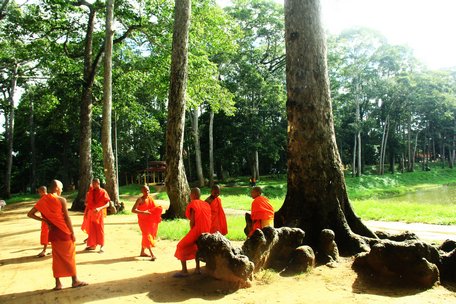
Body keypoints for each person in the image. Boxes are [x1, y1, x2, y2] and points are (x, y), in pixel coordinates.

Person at [27, 180, 88, 290]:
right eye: (61, 188)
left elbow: (30, 214)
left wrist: (45, 221)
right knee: (69, 256)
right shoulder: (61, 200)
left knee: (57, 258)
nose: (62, 190)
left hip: (53, 233)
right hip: (64, 232)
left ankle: (58, 283)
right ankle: (75, 280)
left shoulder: (43, 200)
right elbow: (66, 218)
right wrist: (72, 232)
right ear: (56, 188)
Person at [174, 187, 211, 277]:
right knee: (196, 247)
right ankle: (197, 268)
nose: (190, 196)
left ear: (193, 195)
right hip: (207, 231)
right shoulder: (206, 204)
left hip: (197, 230)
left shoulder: (193, 204)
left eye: (190, 194)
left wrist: (192, 232)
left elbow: (192, 221)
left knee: (181, 245)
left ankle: (184, 271)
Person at [131, 185, 163, 261]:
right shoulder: (140, 200)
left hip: (150, 221)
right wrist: (143, 212)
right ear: (142, 191)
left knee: (146, 235)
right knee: (147, 235)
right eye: (145, 191)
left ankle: (142, 252)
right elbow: (133, 210)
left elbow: (155, 209)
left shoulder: (150, 198)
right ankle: (152, 254)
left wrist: (158, 217)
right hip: (142, 221)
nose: (147, 192)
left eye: (148, 190)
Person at [84, 178, 110, 252]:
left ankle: (102, 246)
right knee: (92, 229)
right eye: (92, 184)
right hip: (92, 213)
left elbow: (108, 204)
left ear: (98, 183)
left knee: (100, 229)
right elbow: (87, 203)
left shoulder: (103, 192)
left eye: (94, 184)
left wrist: (99, 208)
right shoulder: (90, 192)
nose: (93, 185)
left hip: (99, 213)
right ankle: (93, 245)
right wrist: (87, 210)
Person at [37, 186, 50, 257]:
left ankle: (44, 250)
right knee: (52, 234)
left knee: (45, 234)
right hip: (53, 219)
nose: (39, 194)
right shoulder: (51, 197)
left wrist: (43, 219)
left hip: (46, 219)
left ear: (42, 191)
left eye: (39, 192)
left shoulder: (43, 199)